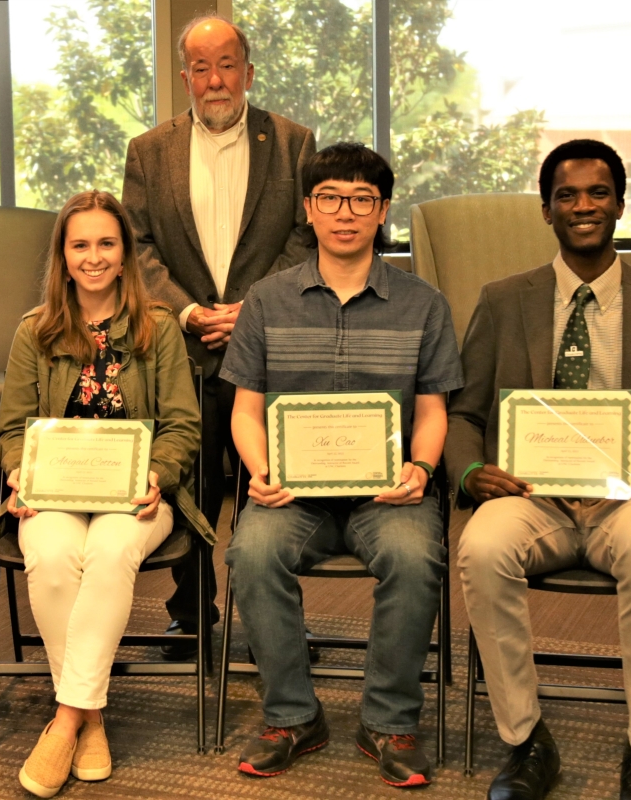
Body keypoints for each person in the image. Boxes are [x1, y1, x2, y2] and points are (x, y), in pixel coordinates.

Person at [447, 139, 631, 800]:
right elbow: (464, 414)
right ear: (546, 210)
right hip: (531, 495)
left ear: (620, 204)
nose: (583, 206)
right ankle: (525, 741)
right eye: (567, 195)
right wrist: (470, 472)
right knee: (481, 545)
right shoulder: (503, 298)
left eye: (598, 193)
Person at [220, 143, 462, 786]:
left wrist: (420, 468)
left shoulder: (424, 304)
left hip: (390, 495)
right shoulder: (267, 300)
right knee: (251, 551)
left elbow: (434, 410)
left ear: (382, 211)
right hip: (291, 494)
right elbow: (245, 410)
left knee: (414, 556)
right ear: (308, 209)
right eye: (330, 198)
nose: (345, 213)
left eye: (362, 199)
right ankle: (293, 716)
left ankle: (388, 722)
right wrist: (260, 471)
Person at [0, 190, 212, 799]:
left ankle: (63, 720)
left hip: (137, 494)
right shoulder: (36, 331)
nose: (94, 257)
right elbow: (12, 426)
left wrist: (157, 473)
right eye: (80, 244)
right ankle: (90, 715)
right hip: (52, 490)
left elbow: (184, 425)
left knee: (109, 552)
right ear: (62, 253)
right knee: (53, 557)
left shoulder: (157, 328)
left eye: (106, 243)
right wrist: (17, 475)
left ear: (125, 251)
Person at [121, 14, 316, 656]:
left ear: (249, 72)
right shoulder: (149, 152)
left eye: (226, 64)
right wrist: (184, 311)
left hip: (268, 346)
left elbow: (304, 237)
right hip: (186, 347)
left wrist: (253, 308)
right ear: (184, 78)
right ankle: (191, 616)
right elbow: (139, 245)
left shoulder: (293, 144)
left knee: (274, 488)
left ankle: (274, 623)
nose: (214, 80)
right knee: (191, 484)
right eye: (200, 68)